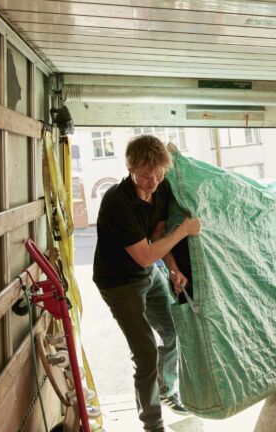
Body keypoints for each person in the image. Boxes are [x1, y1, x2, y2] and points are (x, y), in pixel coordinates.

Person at [93, 134, 201, 432]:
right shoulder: (116, 200)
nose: (153, 181)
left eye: (158, 174)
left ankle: (166, 389)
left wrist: (174, 269)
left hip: (148, 273)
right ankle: (152, 424)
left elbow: (156, 238)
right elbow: (143, 255)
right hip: (118, 282)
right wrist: (185, 231)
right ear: (129, 168)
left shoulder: (161, 188)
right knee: (145, 353)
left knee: (172, 331)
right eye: (145, 175)